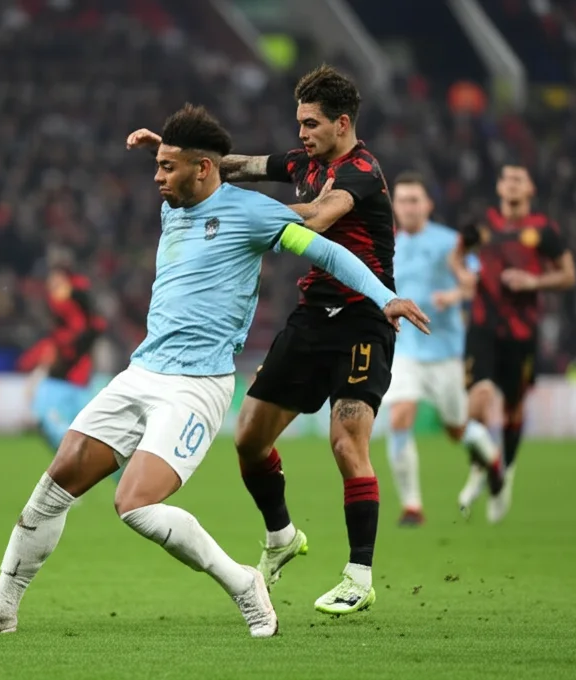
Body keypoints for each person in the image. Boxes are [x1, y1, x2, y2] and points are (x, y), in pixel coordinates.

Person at [0, 104, 429, 637]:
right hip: (141, 372)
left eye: (167, 167)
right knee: (52, 488)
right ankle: (1, 608)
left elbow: (328, 254)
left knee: (133, 503)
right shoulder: (175, 205)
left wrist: (385, 297)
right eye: (158, 166)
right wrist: (167, 147)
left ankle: (243, 582)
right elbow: (201, 166)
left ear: (203, 169)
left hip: (196, 387)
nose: (157, 178)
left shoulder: (255, 214)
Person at [185, 64, 396, 615]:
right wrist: (179, 154)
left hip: (363, 320)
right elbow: (238, 165)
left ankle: (359, 575)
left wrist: (243, 217)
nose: (301, 133)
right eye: (299, 123)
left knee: (347, 442)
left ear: (342, 123)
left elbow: (319, 218)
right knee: (249, 438)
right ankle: (281, 537)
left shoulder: (361, 171)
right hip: (312, 318)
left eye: (311, 123)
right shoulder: (302, 162)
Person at [452, 165, 576, 522]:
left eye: (519, 179)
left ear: (530, 188)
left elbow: (568, 275)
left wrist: (533, 282)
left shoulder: (543, 230)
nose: (512, 185)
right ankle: (483, 469)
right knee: (477, 401)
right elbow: (456, 255)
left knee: (513, 409)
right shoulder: (483, 224)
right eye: (507, 179)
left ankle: (505, 475)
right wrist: (464, 275)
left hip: (521, 333)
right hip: (482, 326)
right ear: (498, 186)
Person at [380, 172, 503, 526]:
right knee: (400, 416)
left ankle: (492, 459)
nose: (408, 207)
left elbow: (473, 282)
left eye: (414, 200)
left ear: (428, 205)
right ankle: (412, 507)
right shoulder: (389, 246)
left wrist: (455, 294)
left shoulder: (451, 243)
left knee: (456, 430)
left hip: (445, 352)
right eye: (402, 201)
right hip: (405, 350)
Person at [19, 267, 106, 453]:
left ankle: (74, 456)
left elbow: (92, 325)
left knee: (74, 432)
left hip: (75, 382)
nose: (53, 289)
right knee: (53, 424)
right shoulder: (60, 322)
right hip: (65, 381)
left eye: (58, 283)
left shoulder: (83, 319)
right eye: (51, 284)